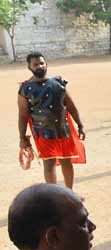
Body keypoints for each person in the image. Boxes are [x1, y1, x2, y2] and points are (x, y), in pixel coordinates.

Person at [17, 53, 87, 189]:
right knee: (49, 164)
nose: (39, 66)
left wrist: (80, 124)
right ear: (29, 67)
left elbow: (70, 105)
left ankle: (69, 193)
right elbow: (23, 116)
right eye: (35, 64)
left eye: (42, 63)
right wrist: (22, 137)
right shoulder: (25, 89)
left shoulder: (58, 83)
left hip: (62, 129)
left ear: (46, 64)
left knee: (67, 161)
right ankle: (54, 196)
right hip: (43, 132)